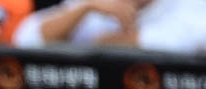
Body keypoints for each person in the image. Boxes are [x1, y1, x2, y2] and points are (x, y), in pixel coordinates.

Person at [12, 0, 206, 54]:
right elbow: (25, 38)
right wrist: (85, 8)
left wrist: (110, 44)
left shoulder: (189, 4)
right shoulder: (99, 4)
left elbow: (193, 39)